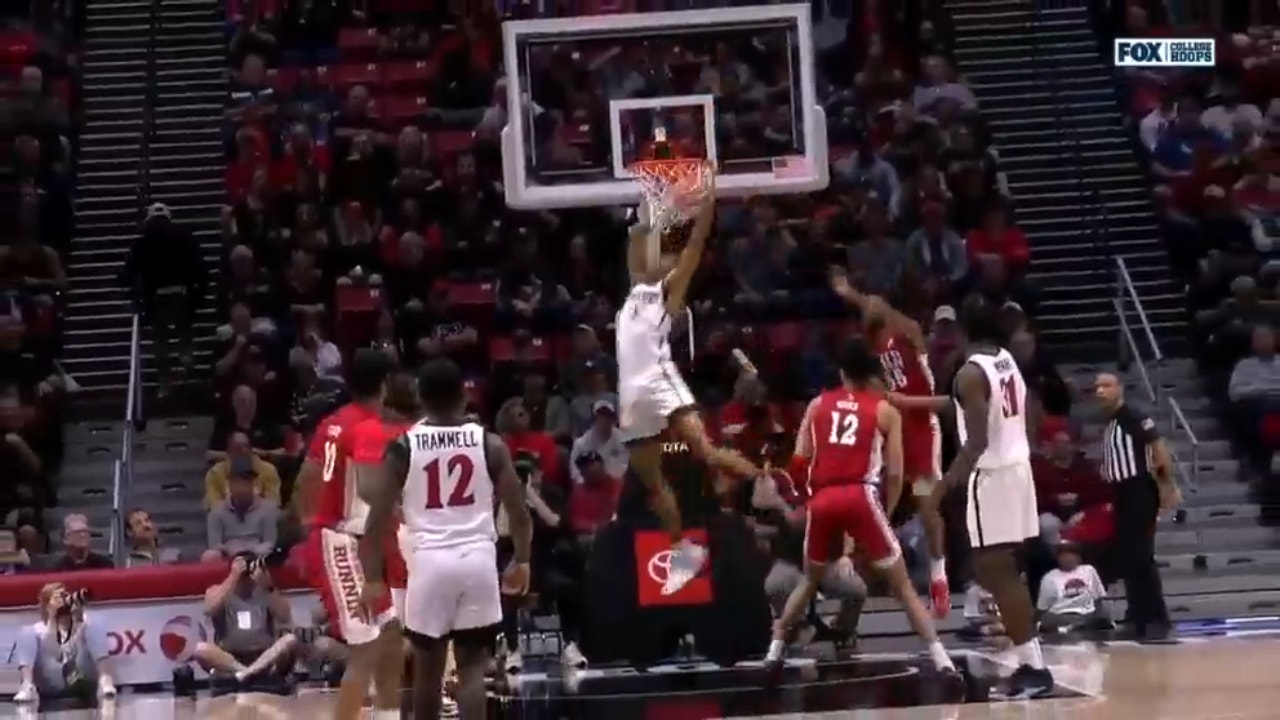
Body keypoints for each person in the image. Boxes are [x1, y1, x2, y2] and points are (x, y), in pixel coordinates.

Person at [765, 338, 955, 677]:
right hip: (860, 497)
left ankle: (774, 651)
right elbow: (895, 474)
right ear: (870, 375)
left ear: (841, 372)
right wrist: (886, 510)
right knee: (902, 587)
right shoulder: (885, 411)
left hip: (823, 499)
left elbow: (798, 461)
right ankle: (941, 658)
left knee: (809, 581)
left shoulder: (817, 404)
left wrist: (802, 500)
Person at [359, 357, 533, 720]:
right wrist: (522, 558)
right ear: (463, 396)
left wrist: (373, 578)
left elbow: (375, 523)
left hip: (429, 563)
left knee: (428, 673)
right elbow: (518, 512)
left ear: (421, 397)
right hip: (478, 561)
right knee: (471, 671)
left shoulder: (404, 447)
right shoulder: (490, 443)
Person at [615, 174, 761, 593]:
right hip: (632, 392)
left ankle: (767, 483)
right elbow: (638, 242)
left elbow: (693, 248)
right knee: (653, 482)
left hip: (660, 382)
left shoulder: (668, 293)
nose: (647, 262)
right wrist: (649, 203)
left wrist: (707, 202)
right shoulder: (634, 292)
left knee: (706, 452)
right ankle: (683, 551)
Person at [925, 294, 1053, 697]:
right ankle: (1031, 661)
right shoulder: (1004, 359)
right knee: (999, 571)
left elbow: (977, 438)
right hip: (1017, 467)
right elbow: (1005, 408)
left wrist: (942, 488)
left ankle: (1034, 668)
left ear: (961, 331)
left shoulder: (968, 373)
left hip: (993, 475)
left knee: (995, 571)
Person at [829, 267, 951, 616]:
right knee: (870, 495)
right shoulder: (866, 350)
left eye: (876, 304)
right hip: (890, 429)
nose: (871, 307)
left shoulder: (909, 334)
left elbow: (882, 309)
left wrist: (851, 292)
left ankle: (939, 578)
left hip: (922, 431)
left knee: (928, 504)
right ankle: (858, 566)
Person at [294, 349, 398, 720]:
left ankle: (387, 716)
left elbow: (308, 474)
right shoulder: (367, 427)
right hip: (342, 541)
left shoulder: (335, 423)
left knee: (390, 636)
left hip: (344, 538)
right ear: (386, 384)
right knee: (366, 648)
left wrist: (312, 525)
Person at [1094, 372, 1179, 643]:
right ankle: (1137, 615)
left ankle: (1155, 618)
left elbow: (1159, 448)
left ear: (1119, 388)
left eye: (1106, 386)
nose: (1100, 391)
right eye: (1096, 387)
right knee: (1129, 557)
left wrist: (1167, 487)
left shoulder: (1132, 416)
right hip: (1121, 492)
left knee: (1141, 555)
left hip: (1139, 490)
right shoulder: (1111, 422)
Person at [193, 553, 300, 685]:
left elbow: (284, 617)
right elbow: (209, 609)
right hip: (229, 658)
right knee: (201, 649)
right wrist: (233, 577)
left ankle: (249, 673)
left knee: (290, 640)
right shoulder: (219, 590)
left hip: (265, 656)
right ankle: (247, 672)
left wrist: (268, 587)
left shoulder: (267, 591)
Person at [13, 583, 117, 704]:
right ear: (47, 605)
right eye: (57, 598)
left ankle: (105, 679)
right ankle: (27, 685)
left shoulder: (84, 625)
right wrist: (53, 618)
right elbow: (54, 649)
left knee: (94, 624)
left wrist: (78, 619)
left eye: (65, 596)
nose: (62, 601)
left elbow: (76, 638)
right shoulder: (39, 631)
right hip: (52, 682)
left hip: (83, 678)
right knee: (26, 632)